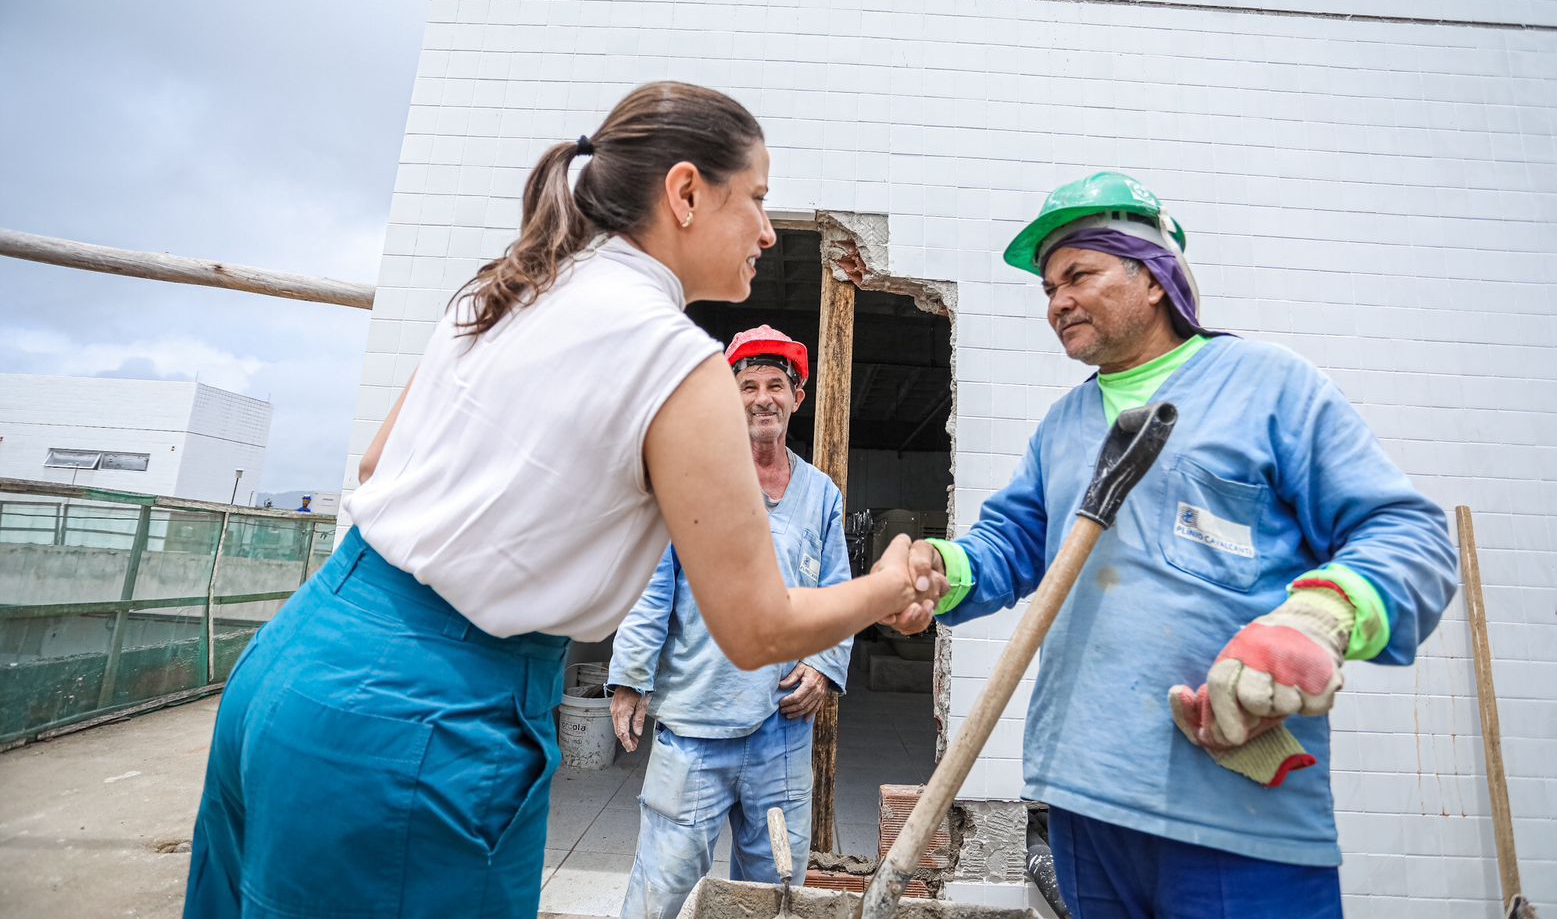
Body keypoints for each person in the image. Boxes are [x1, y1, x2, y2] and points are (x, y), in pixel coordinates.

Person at [183, 82, 947, 919]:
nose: (768, 230)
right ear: (687, 193)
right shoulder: (675, 363)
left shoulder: (505, 287)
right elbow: (756, 626)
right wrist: (886, 585)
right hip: (424, 716)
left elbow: (376, 464)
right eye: (757, 199)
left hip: (305, 652)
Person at [895, 172, 1457, 918]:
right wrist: (941, 569)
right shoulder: (1064, 426)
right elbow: (1010, 544)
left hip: (1235, 806)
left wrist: (1316, 620)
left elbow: (1410, 537)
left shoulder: (1268, 388)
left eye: (1078, 275)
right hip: (1085, 802)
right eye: (1046, 288)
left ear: (1153, 278)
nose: (1057, 301)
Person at [610, 325, 850, 919]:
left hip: (783, 732)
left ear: (797, 397)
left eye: (776, 385)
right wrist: (630, 677)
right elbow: (650, 588)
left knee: (771, 892)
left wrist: (823, 665)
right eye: (747, 385)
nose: (762, 398)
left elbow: (838, 592)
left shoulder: (820, 494)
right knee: (661, 883)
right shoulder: (690, 481)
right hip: (696, 724)